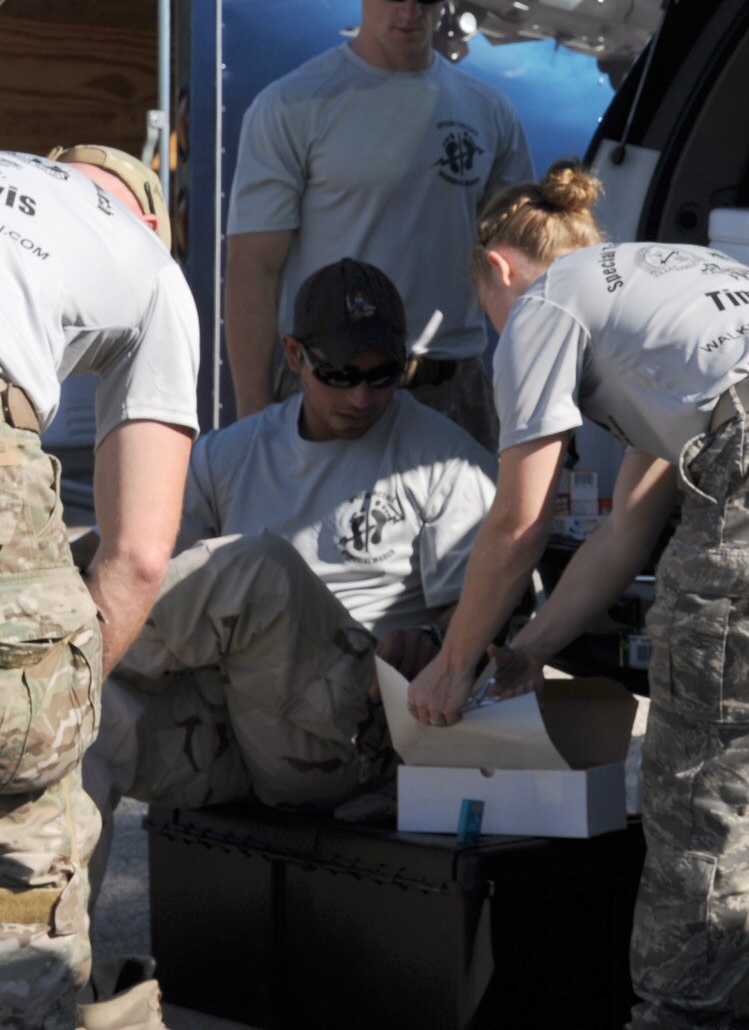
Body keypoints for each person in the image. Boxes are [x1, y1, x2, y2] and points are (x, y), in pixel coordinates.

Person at [403, 167, 749, 1030]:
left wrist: (455, 660)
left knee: (702, 794)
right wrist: (526, 649)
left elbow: (520, 521)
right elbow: (622, 536)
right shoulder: (663, 274)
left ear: (498, 268)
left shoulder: (542, 305)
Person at [82, 257, 496, 892]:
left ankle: (68, 661)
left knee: (257, 566)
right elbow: (158, 575)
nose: (361, 397)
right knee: (83, 732)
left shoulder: (446, 461)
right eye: (339, 374)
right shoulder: (231, 452)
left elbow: (479, 634)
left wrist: (437, 645)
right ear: (295, 354)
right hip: (231, 729)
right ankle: (43, 970)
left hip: (354, 738)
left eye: (384, 375)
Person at [0, 146, 208, 1030]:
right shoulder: (152, 269)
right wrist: (56, 717)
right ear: (148, 217)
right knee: (26, 824)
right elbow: (135, 555)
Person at [225, 0, 534, 448]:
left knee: (469, 542)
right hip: (333, 389)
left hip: (454, 392)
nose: (411, 9)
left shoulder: (489, 114)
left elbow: (521, 274)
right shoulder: (293, 105)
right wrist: (253, 423)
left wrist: (539, 398)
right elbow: (253, 271)